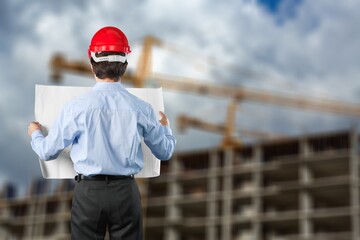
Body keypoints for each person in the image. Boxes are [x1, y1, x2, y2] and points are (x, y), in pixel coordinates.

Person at [28, 26, 176, 240]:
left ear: (91, 64)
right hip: (126, 193)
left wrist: (35, 133)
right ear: (125, 66)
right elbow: (165, 152)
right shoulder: (142, 109)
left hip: (88, 194)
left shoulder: (76, 108)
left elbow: (47, 152)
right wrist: (165, 127)